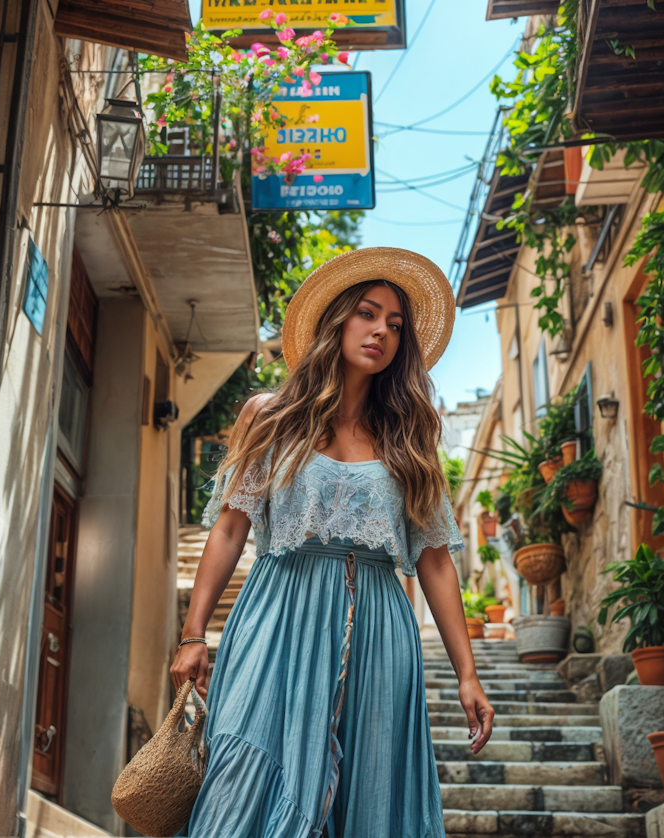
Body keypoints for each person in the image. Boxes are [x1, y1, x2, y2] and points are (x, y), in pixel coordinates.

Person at [170, 247, 494, 838]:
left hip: (380, 628)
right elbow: (229, 526)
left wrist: (467, 673)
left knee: (366, 801)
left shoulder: (410, 437)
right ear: (337, 321)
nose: (381, 332)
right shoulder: (270, 416)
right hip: (277, 618)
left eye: (395, 325)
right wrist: (195, 634)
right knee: (240, 777)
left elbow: (436, 562)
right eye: (368, 314)